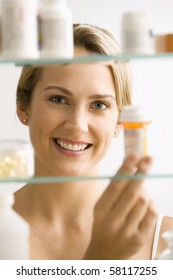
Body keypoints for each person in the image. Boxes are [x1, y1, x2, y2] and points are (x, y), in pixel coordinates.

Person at [14, 23, 173, 260]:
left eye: (99, 105)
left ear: (121, 121)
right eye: (58, 99)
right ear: (23, 106)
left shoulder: (165, 241)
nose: (77, 125)